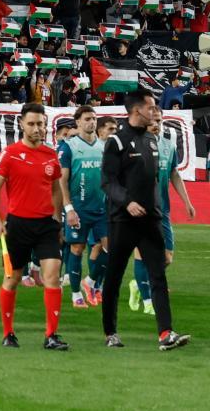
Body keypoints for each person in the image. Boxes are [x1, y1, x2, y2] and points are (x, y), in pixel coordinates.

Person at [100, 91, 190, 350]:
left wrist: (157, 209)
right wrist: (127, 202)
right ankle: (111, 332)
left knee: (158, 275)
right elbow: (107, 182)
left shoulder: (152, 140)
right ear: (137, 110)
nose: (155, 111)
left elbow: (154, 181)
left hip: (151, 221)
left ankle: (166, 333)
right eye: (151, 107)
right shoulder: (116, 142)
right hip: (122, 220)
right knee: (114, 276)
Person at [0, 103, 68, 350]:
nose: (36, 128)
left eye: (40, 124)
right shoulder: (9, 154)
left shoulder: (50, 155)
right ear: (22, 124)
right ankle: (8, 333)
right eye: (31, 124)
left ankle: (51, 335)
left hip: (46, 226)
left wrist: (57, 219)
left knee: (52, 276)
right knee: (12, 279)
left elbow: (56, 189)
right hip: (18, 225)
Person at [130, 113, 197, 315]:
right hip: (140, 210)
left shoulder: (168, 145)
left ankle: (138, 283)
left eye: (158, 121)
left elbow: (174, 173)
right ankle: (148, 301)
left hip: (162, 211)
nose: (155, 124)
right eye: (151, 121)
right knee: (142, 253)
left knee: (167, 257)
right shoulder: (133, 146)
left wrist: (187, 202)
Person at [58, 106, 107, 309]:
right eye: (87, 119)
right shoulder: (69, 147)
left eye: (94, 118)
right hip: (79, 209)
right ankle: (76, 294)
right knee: (77, 248)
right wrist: (68, 208)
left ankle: (90, 281)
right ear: (78, 122)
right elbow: (62, 180)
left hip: (102, 209)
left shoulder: (103, 146)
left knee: (111, 247)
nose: (92, 122)